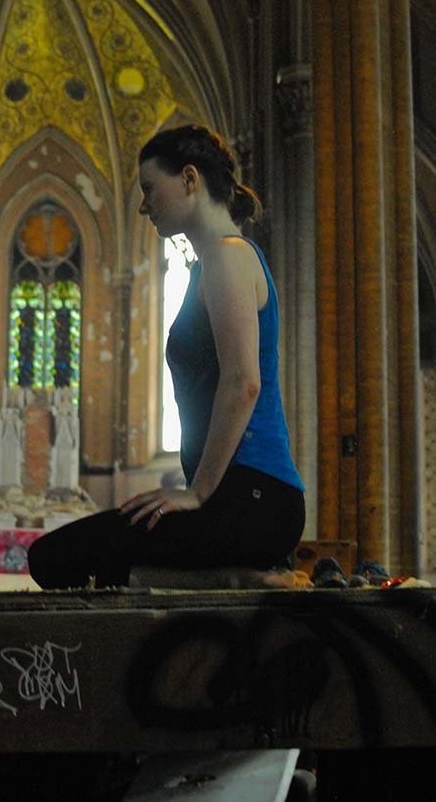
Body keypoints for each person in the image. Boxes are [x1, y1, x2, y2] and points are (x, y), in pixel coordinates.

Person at [28, 124, 305, 588]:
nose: (143, 205)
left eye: (151, 189)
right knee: (86, 559)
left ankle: (242, 579)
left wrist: (197, 493)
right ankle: (238, 578)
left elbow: (243, 383)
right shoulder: (213, 263)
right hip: (239, 497)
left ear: (190, 180)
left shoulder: (226, 256)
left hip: (254, 498)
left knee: (57, 558)